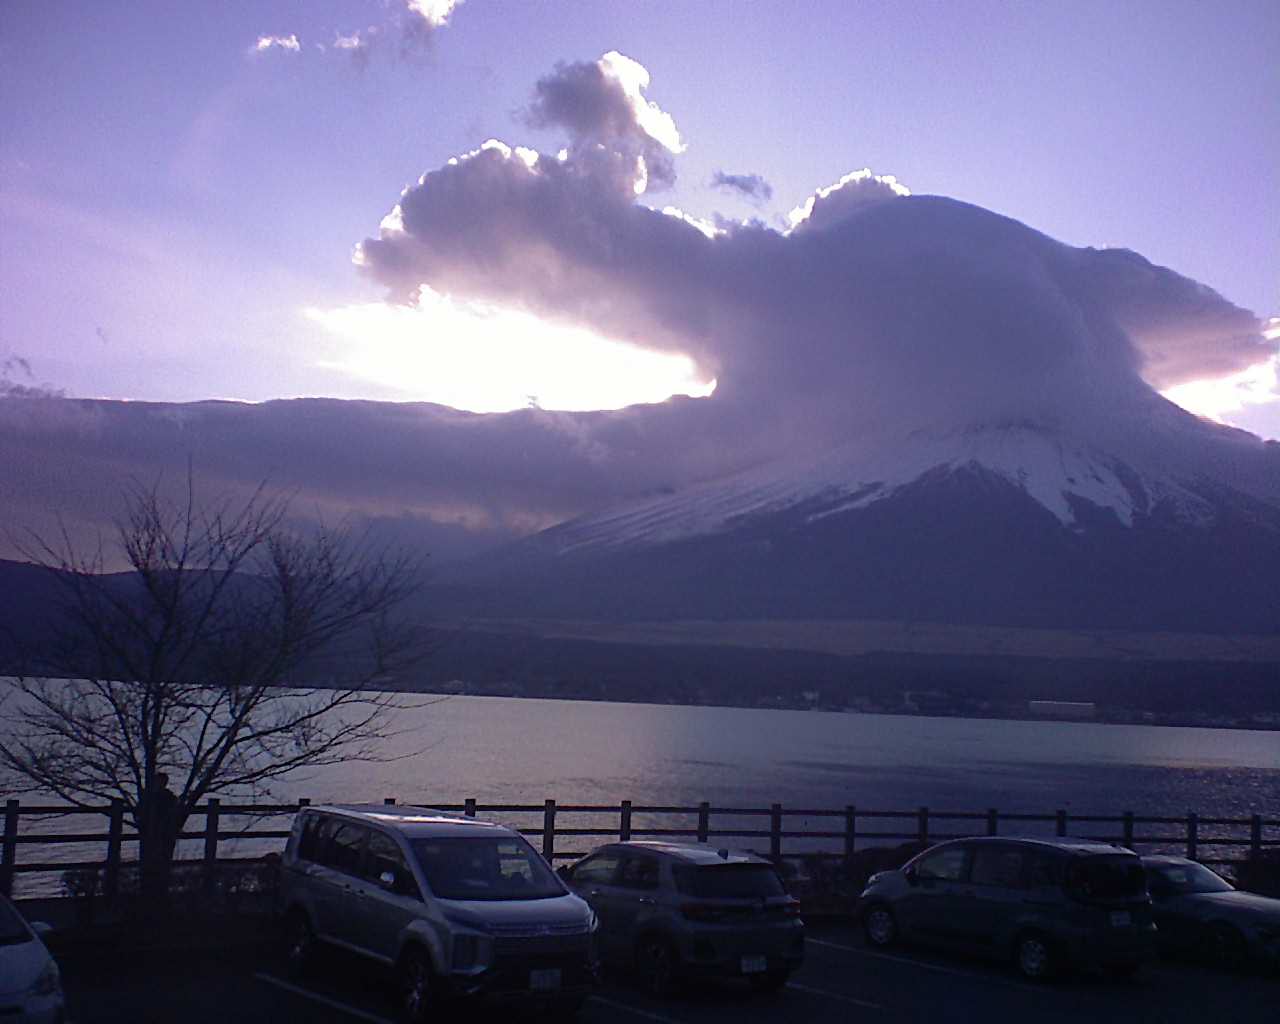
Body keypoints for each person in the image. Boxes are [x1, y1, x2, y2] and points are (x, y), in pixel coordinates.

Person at [138, 772, 180, 901]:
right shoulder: (152, 798)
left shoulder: (164, 798)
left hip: (163, 835)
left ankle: (157, 893)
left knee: (160, 863)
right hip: (154, 835)